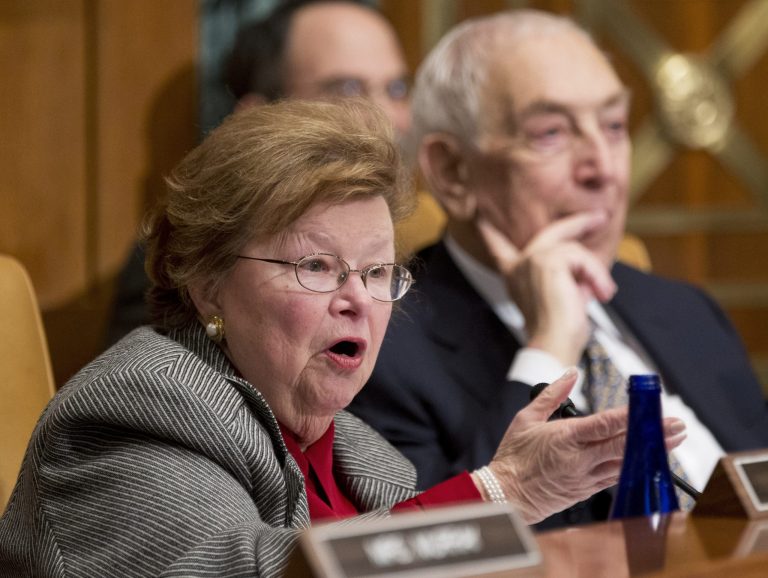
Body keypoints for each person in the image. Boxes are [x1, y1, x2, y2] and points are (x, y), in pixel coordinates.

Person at [0, 100, 686, 577]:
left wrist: (514, 496)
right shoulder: (142, 405)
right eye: (317, 267)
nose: (359, 299)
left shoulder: (364, 459)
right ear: (207, 282)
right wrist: (499, 493)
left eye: (379, 271)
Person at [349, 8, 768, 529]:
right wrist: (548, 346)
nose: (604, 169)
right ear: (454, 173)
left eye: (614, 125)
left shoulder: (686, 311)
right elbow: (452, 548)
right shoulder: (376, 344)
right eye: (551, 133)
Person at [105, 0, 444, 345]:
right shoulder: (193, 247)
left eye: (397, 89)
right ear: (256, 117)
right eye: (348, 90)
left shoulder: (433, 232)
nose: (384, 118)